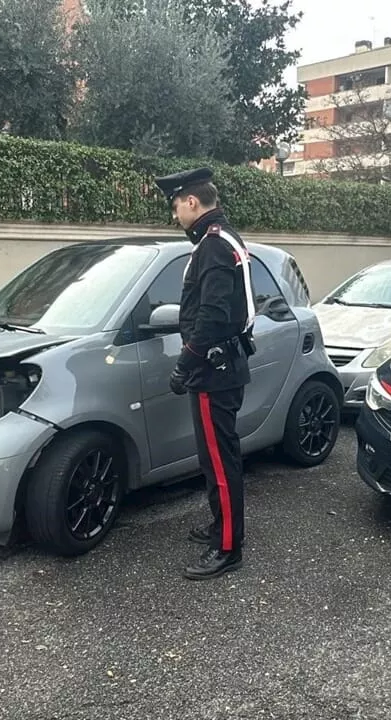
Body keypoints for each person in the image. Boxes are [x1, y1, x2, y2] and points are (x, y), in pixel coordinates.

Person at [154, 166, 255, 581]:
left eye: (176, 204)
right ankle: (222, 526)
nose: (175, 213)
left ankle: (228, 547)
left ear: (191, 202)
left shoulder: (213, 245)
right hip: (221, 366)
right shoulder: (220, 238)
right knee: (216, 459)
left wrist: (185, 364)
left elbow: (212, 316)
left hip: (214, 370)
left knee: (219, 460)